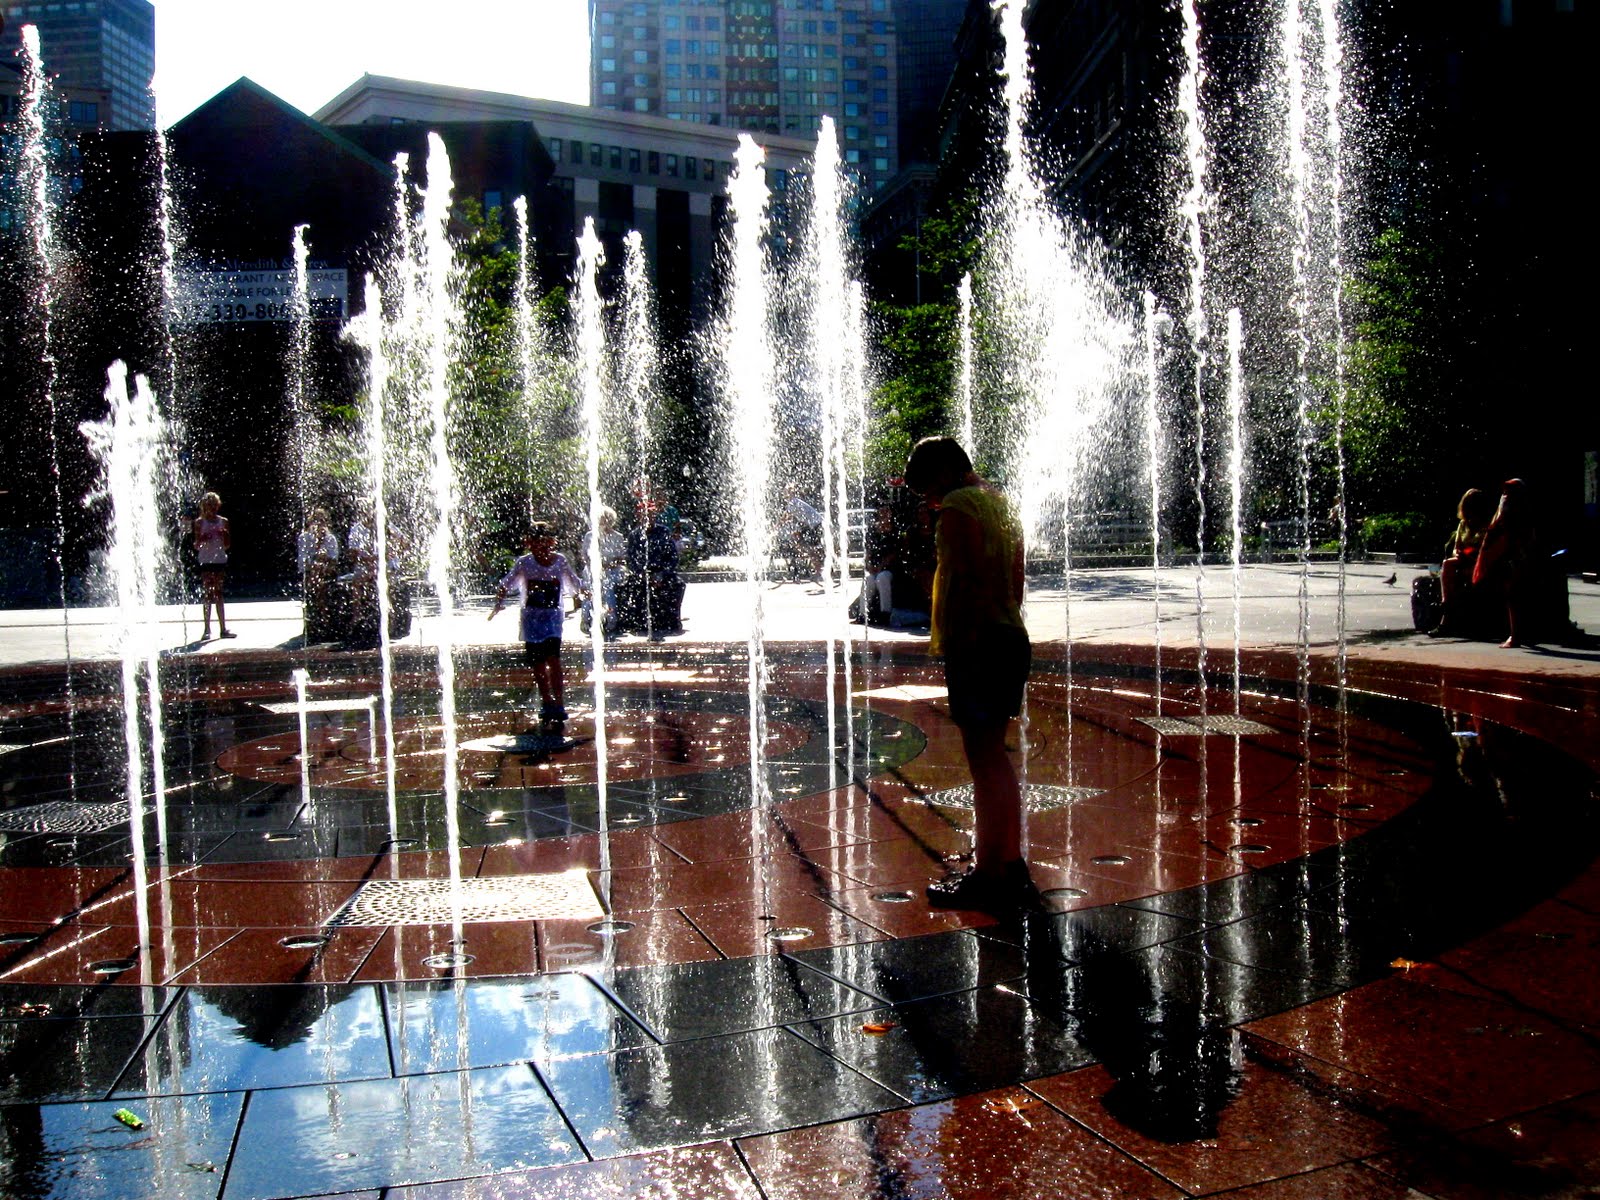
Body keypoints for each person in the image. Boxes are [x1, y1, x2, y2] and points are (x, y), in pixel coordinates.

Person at [904, 436, 1034, 910]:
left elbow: (971, 577)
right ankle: (1008, 860)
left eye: (926, 489)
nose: (928, 501)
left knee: (984, 759)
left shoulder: (960, 505)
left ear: (943, 473)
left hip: (978, 642)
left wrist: (966, 640)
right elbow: (1014, 581)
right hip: (1008, 635)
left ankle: (989, 875)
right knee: (994, 756)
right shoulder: (1000, 501)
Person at [489, 521, 585, 726]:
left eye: (546, 544)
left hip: (553, 619)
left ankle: (559, 703)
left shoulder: (560, 561)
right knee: (538, 663)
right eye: (537, 544)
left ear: (552, 543)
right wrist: (498, 603)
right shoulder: (525, 563)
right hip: (531, 620)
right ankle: (546, 701)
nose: (542, 549)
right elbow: (506, 583)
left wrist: (587, 594)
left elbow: (574, 583)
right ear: (529, 544)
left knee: (554, 659)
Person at [1473, 478, 1539, 648]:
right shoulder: (1524, 509)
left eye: (1508, 491)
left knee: (1514, 596)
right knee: (1519, 595)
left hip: (1514, 555)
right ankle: (1521, 634)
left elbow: (1505, 531)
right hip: (1520, 555)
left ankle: (1516, 636)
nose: (1504, 494)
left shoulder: (1511, 510)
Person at [1429, 488, 1495, 638]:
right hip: (1464, 559)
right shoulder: (1463, 524)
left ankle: (1463, 618)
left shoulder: (1487, 526)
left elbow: (1484, 547)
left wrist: (1471, 555)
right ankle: (1446, 607)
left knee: (1470, 573)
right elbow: (1457, 546)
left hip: (1480, 561)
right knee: (1447, 565)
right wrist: (1458, 553)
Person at [192, 491, 234, 640]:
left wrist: (225, 535)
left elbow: (227, 545)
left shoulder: (224, 521)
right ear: (205, 506)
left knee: (219, 593)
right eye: (210, 506)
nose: (213, 509)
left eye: (215, 506)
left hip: (220, 560)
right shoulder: (199, 523)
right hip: (206, 560)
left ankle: (223, 628)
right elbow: (197, 545)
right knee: (208, 594)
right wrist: (203, 538)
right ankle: (207, 629)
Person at [581, 505, 626, 639]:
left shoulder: (617, 537)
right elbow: (584, 556)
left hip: (612, 570)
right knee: (590, 587)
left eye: (607, 519)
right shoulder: (590, 535)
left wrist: (607, 566)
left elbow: (620, 558)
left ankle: (611, 620)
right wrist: (594, 566)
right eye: (601, 519)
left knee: (608, 587)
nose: (604, 521)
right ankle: (587, 619)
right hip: (593, 569)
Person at [297, 508, 339, 641]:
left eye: (322, 521)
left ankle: (321, 619)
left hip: (326, 574)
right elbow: (302, 562)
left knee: (318, 580)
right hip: (310, 574)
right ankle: (323, 618)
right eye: (316, 521)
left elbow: (334, 560)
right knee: (316, 576)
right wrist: (316, 558)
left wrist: (323, 563)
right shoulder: (304, 538)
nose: (319, 524)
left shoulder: (330, 538)